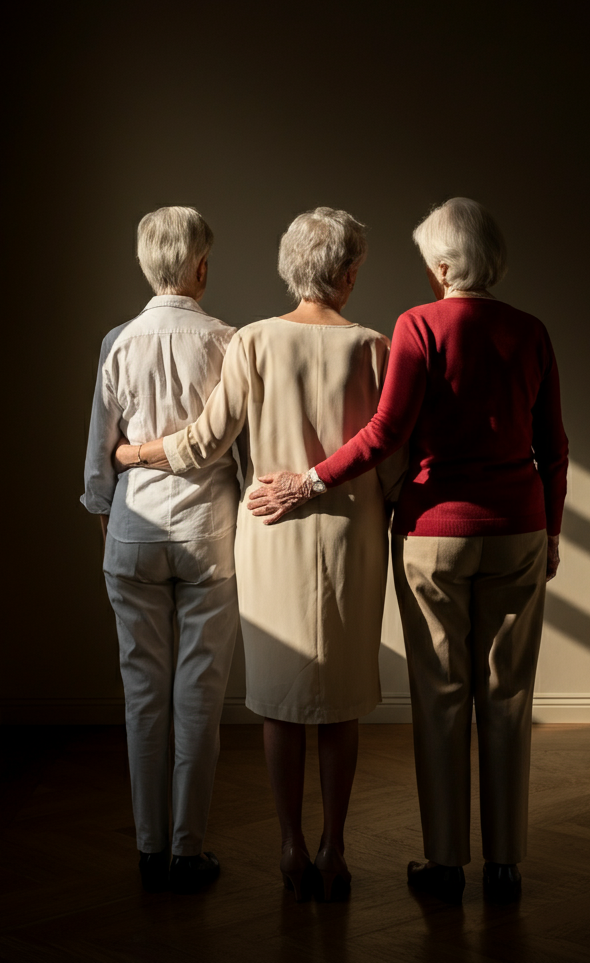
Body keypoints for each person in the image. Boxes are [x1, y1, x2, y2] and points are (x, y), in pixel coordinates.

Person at [246, 197, 569, 905]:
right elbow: (554, 447)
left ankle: (446, 864)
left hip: (434, 536)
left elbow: (387, 433)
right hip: (518, 528)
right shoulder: (532, 331)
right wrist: (552, 531)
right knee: (509, 699)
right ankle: (506, 864)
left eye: (430, 262)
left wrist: (308, 480)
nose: (426, 274)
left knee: (441, 696)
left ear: (447, 266)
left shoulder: (418, 326)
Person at [114, 208, 404, 902]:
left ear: (290, 268)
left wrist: (134, 453)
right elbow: (391, 462)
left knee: (279, 706)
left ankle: (290, 846)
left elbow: (204, 443)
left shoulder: (252, 342)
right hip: (349, 537)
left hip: (270, 538)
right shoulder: (376, 348)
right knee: (340, 705)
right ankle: (335, 849)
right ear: (348, 271)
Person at [81, 207, 240, 894]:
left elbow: (99, 462)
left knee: (142, 693)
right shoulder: (229, 341)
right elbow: (247, 450)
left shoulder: (118, 340)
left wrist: (109, 523)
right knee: (199, 695)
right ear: (200, 267)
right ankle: (187, 849)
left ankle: (148, 849)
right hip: (209, 531)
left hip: (133, 530)